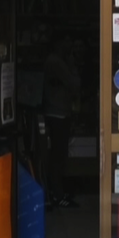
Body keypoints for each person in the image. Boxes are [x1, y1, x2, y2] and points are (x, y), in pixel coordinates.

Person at [42, 35, 80, 207]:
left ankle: (55, 191)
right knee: (58, 155)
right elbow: (75, 83)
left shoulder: (53, 61)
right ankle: (57, 194)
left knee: (56, 154)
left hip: (55, 111)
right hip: (58, 114)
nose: (70, 45)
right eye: (67, 42)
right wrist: (72, 64)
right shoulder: (57, 62)